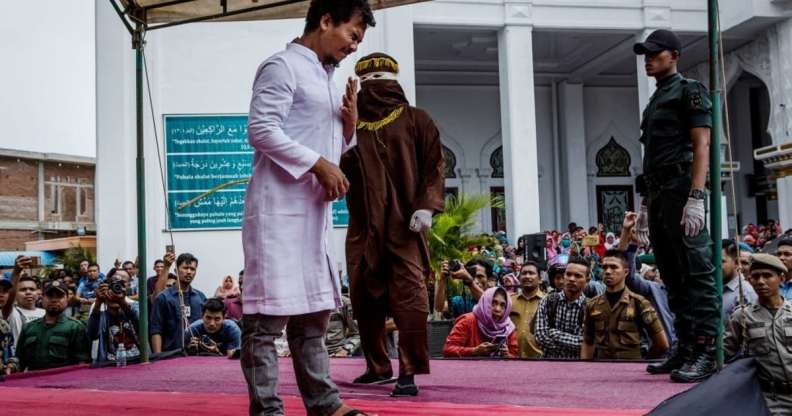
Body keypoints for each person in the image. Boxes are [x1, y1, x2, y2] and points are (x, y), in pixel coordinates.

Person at [239, 1, 376, 415]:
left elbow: (328, 144)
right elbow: (261, 130)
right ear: (326, 20)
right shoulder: (282, 66)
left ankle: (325, 404)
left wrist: (347, 129)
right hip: (278, 211)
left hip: (313, 213)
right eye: (352, 35)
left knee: (314, 315)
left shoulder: (329, 79)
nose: (354, 46)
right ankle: (268, 409)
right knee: (265, 322)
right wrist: (319, 164)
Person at [340, 51, 444, 396]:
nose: (375, 89)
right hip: (363, 228)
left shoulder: (417, 119)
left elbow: (433, 167)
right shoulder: (351, 123)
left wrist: (426, 207)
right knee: (362, 298)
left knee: (410, 298)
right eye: (367, 83)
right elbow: (340, 164)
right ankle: (377, 366)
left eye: (381, 81)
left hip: (404, 228)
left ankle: (409, 371)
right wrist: (348, 129)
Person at [633, 29, 719, 382]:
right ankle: (684, 347)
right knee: (671, 272)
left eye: (655, 53)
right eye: (645, 54)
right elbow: (651, 159)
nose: (648, 60)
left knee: (696, 270)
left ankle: (706, 350)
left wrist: (696, 197)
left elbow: (702, 146)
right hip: (659, 193)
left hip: (683, 188)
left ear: (675, 55)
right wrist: (644, 207)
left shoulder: (690, 91)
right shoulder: (655, 100)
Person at [723, 253, 792, 414]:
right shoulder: (742, 316)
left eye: (767, 276)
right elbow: (723, 357)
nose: (761, 282)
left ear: (781, 278)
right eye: (755, 276)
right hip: (771, 400)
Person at [581, 250, 668, 360]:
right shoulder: (592, 305)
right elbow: (588, 341)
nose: (607, 271)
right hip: (601, 368)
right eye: (604, 267)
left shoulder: (640, 303)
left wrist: (642, 364)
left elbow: (662, 344)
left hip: (630, 369)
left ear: (626, 272)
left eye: (614, 267)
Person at [619, 212, 678, 362]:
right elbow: (629, 277)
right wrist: (633, 245)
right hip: (661, 357)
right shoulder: (655, 289)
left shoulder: (695, 292)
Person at [15, 280, 89, 371]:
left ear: (67, 299)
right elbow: (19, 360)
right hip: (32, 382)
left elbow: (82, 363)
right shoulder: (28, 328)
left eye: (59, 296)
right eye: (50, 296)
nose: (54, 300)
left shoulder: (75, 327)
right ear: (42, 298)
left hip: (63, 382)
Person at [534, 256, 589, 359]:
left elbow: (587, 343)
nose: (572, 279)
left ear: (587, 280)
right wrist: (574, 343)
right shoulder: (548, 301)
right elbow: (540, 337)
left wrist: (555, 334)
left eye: (578, 276)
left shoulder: (590, 307)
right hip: (549, 366)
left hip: (577, 368)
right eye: (568, 274)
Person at [151, 252, 206, 353]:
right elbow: (156, 330)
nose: (189, 272)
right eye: (185, 268)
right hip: (170, 356)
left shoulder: (200, 298)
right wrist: (158, 357)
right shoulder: (164, 298)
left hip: (197, 356)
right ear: (176, 270)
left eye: (192, 269)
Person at [443, 287, 518, 358]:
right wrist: (474, 351)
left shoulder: (508, 328)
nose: (498, 309)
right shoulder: (467, 321)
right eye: (493, 303)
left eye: (502, 305)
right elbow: (448, 350)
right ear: (485, 303)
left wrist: (507, 355)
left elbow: (515, 357)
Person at [86, 277, 142, 364]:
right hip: (110, 364)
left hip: (138, 360)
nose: (113, 295)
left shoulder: (135, 307)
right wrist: (98, 302)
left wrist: (122, 301)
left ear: (124, 292)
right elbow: (91, 334)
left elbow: (141, 325)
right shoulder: (100, 316)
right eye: (109, 290)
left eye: (117, 288)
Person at [509, 262, 545, 358]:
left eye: (531, 273)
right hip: (512, 358)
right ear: (519, 278)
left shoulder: (547, 302)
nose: (527, 276)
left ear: (540, 279)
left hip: (538, 360)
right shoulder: (509, 301)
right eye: (524, 273)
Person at [721, 239, 757, 322]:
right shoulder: (713, 288)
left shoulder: (746, 292)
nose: (715, 266)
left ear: (737, 262)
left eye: (721, 261)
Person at [325, 292, 361, 357]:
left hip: (335, 353)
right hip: (308, 354)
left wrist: (346, 349)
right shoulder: (303, 305)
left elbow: (358, 334)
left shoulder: (343, 303)